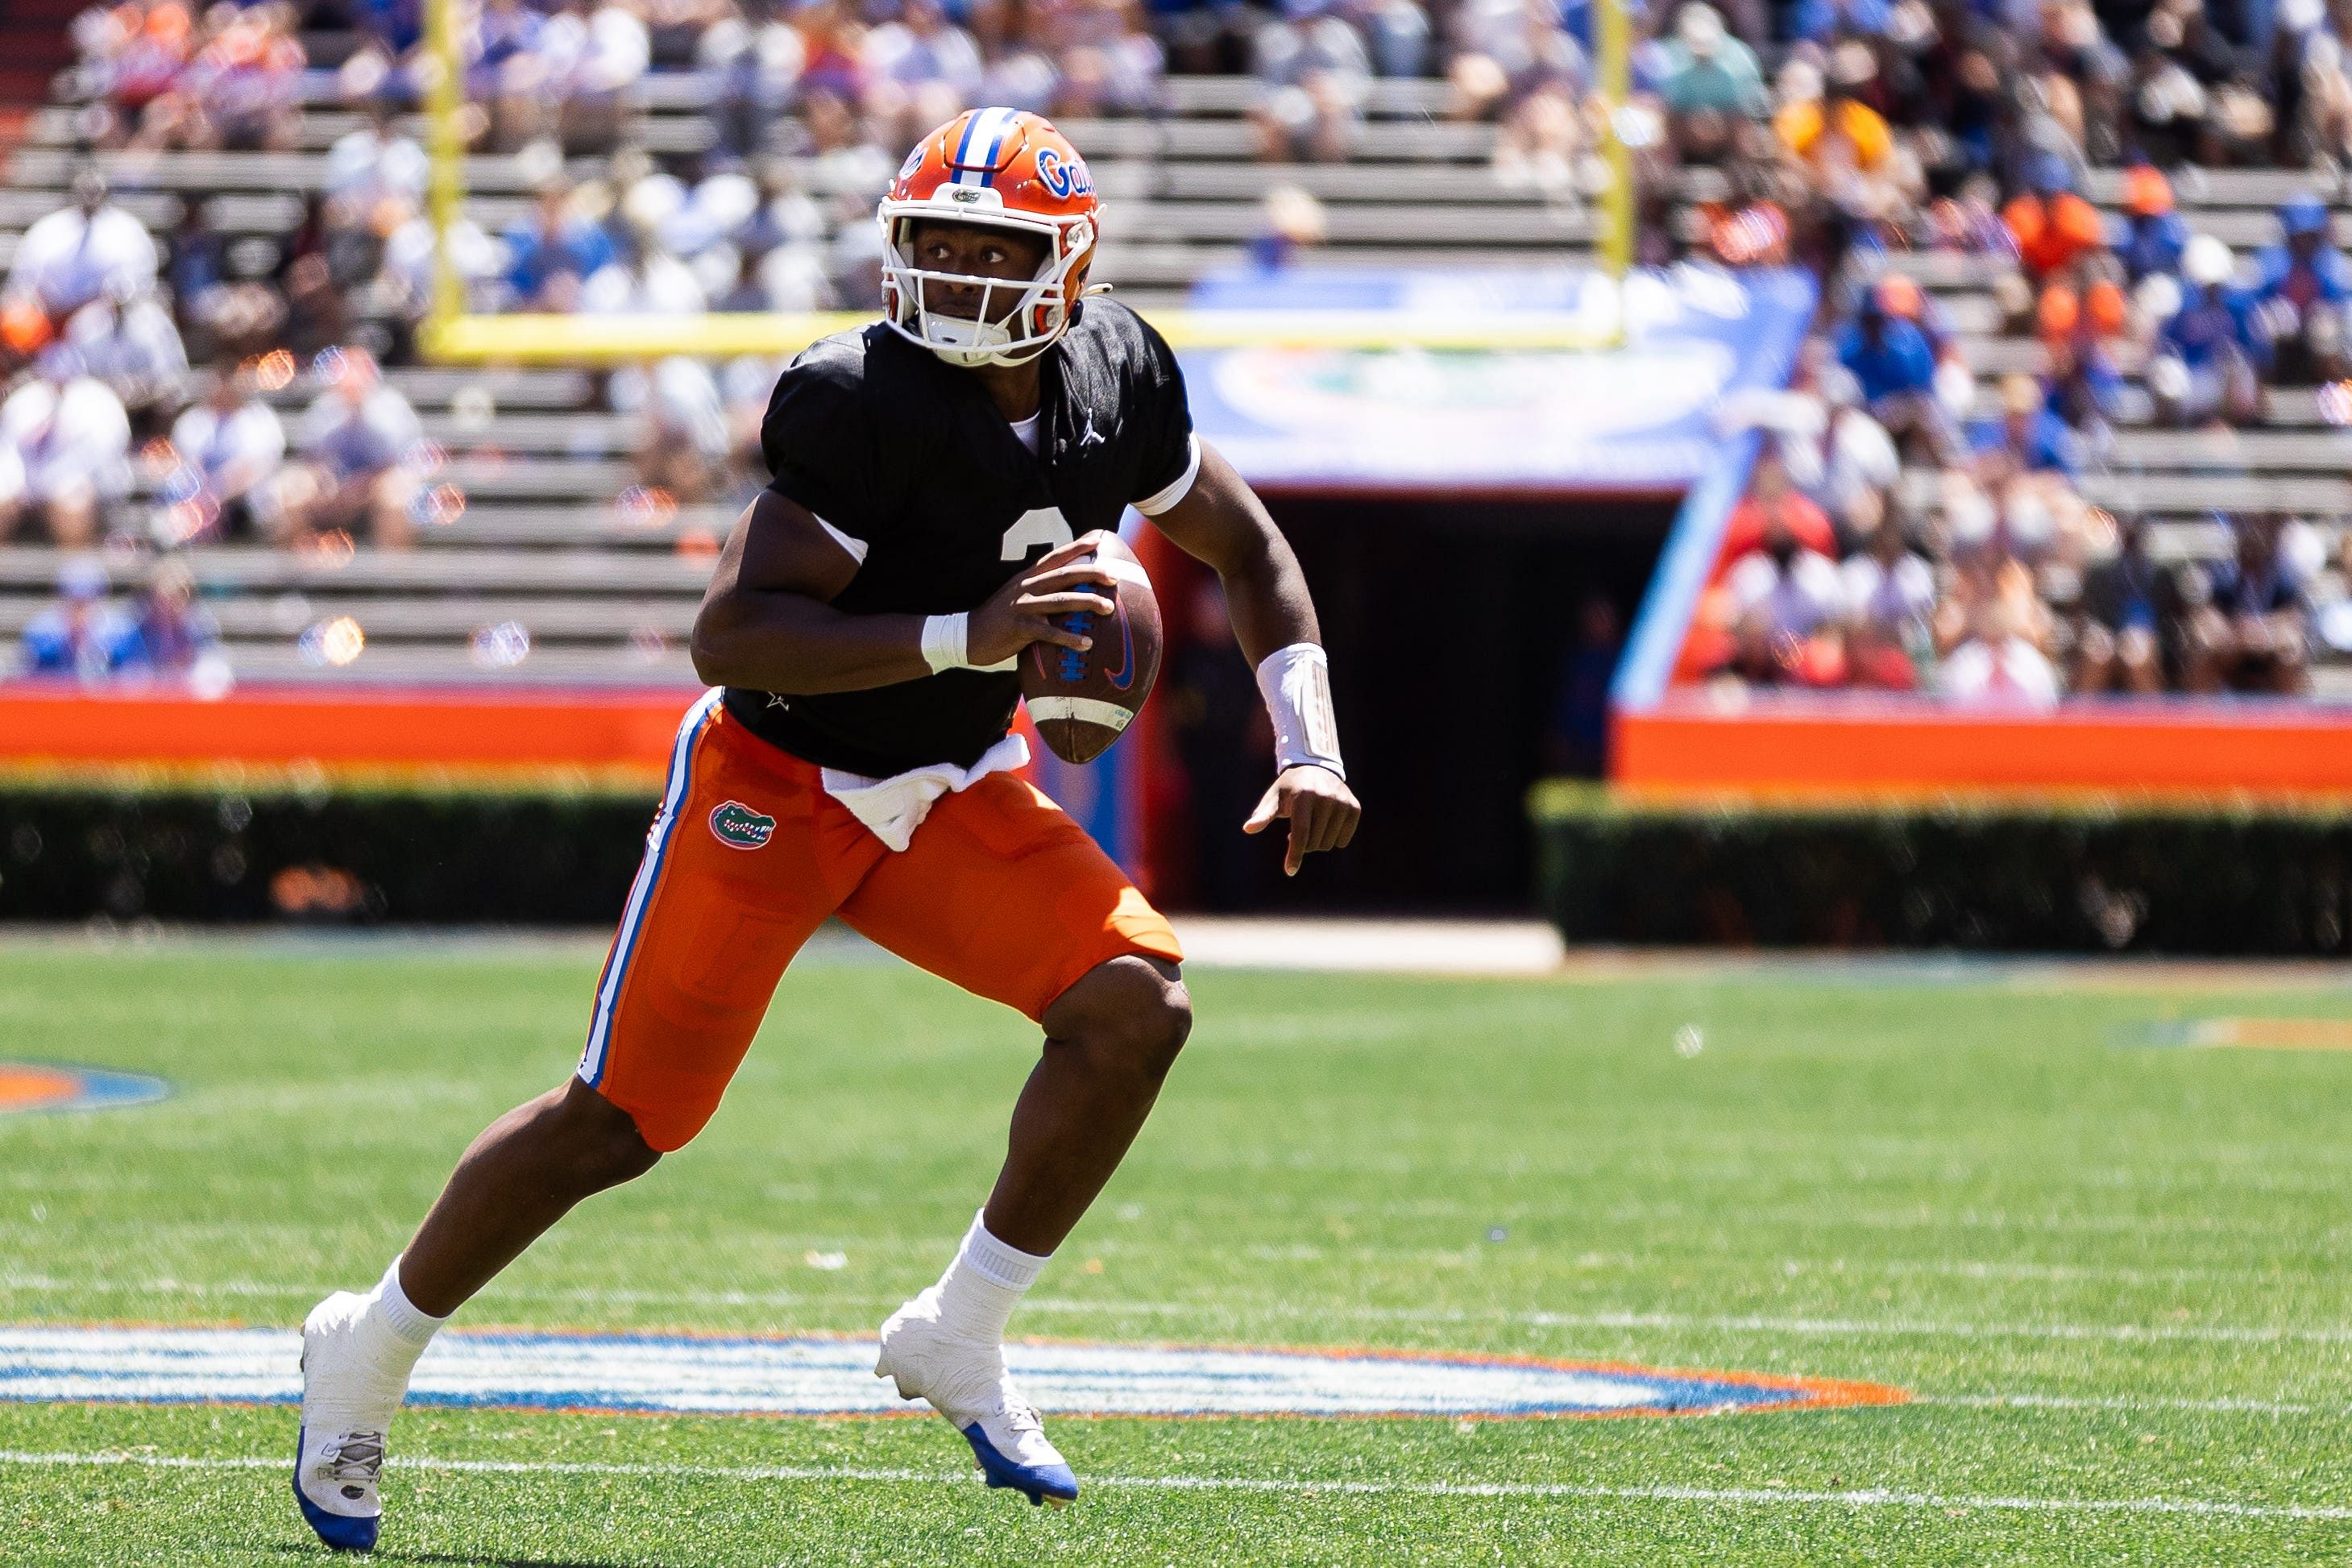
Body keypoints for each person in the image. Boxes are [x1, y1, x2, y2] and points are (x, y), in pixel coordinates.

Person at [291, 107, 1363, 1552]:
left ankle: (960, 1330)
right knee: (620, 1122)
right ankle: (369, 1344)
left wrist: (1310, 745)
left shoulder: (1123, 371)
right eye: (939, 244)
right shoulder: (858, 397)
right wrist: (965, 632)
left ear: (1072, 269)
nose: (965, 276)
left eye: (1001, 251)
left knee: (1134, 1005)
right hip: (776, 782)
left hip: (948, 785)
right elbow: (732, 634)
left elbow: (1254, 553)